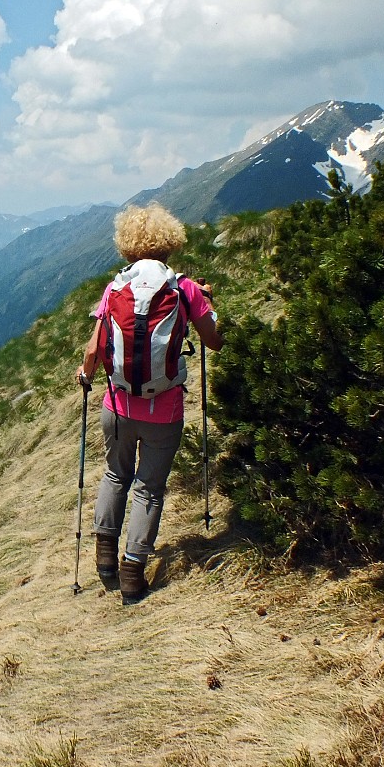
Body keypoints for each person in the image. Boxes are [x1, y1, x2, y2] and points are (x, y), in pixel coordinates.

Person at [76, 204, 223, 605]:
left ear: (127, 246)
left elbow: (93, 350)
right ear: (169, 243)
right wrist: (208, 303)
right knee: (149, 488)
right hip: (164, 410)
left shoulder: (114, 288)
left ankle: (104, 558)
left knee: (115, 475)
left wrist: (86, 375)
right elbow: (214, 341)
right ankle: (132, 573)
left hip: (117, 407)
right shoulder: (184, 288)